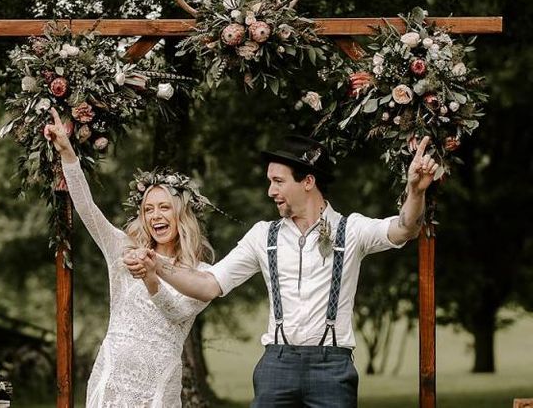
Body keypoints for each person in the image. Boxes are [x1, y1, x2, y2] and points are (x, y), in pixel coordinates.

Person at [125, 133, 437, 408]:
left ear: (308, 181)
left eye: (278, 181)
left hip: (332, 366)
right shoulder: (263, 235)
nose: (270, 191)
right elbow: (209, 284)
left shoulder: (350, 230)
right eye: (269, 182)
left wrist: (416, 191)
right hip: (277, 364)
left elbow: (404, 229)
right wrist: (159, 266)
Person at [45, 107, 215, 408]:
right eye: (148, 209)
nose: (155, 216)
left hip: (157, 389)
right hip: (111, 380)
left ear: (181, 213)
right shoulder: (123, 250)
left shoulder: (201, 274)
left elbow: (176, 313)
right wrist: (68, 154)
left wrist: (152, 277)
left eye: (164, 207)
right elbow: (88, 210)